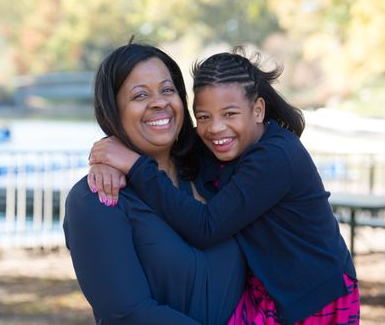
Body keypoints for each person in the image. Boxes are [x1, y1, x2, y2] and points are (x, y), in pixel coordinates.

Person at [88, 48, 360, 325]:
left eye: (229, 113)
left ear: (257, 109)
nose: (216, 128)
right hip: (271, 288)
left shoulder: (275, 156)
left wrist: (134, 166)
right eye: (203, 117)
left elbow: (207, 227)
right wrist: (107, 159)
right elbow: (162, 141)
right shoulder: (222, 143)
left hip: (313, 295)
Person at [64, 43, 250, 325]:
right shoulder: (97, 198)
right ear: (113, 110)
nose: (159, 102)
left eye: (167, 90)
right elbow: (128, 314)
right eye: (140, 95)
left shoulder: (216, 172)